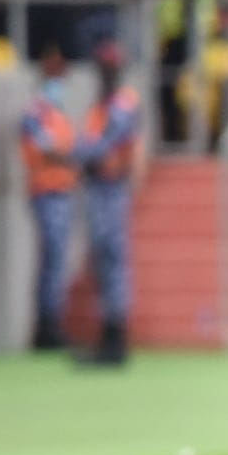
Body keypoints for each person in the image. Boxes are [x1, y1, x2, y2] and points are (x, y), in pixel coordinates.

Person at [74, 40, 141, 366]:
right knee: (102, 262)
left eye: (106, 67)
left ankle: (115, 339)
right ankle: (107, 336)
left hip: (111, 188)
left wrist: (73, 155)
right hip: (98, 188)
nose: (101, 73)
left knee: (112, 260)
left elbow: (103, 146)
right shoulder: (101, 105)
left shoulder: (121, 105)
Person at [20, 42, 76, 351]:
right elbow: (47, 149)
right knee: (52, 260)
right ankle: (46, 326)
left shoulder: (56, 113)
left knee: (56, 262)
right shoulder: (37, 113)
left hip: (62, 192)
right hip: (47, 192)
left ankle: (51, 322)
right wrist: (73, 158)